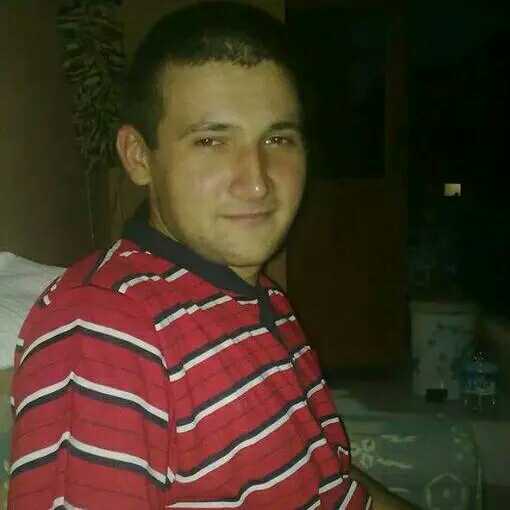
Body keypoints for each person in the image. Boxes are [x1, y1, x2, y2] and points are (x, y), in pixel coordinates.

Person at [8, 2, 415, 509]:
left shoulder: (262, 298)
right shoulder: (107, 328)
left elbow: (330, 484)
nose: (257, 181)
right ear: (139, 157)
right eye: (211, 141)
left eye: (278, 138)